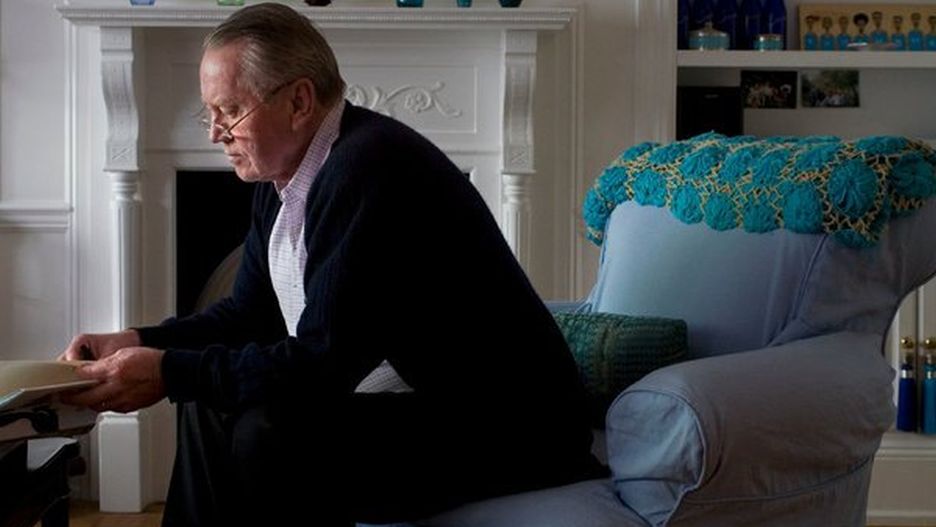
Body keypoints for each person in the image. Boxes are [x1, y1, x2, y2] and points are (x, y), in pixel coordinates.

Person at [60, 3, 601, 526]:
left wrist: (168, 372)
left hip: (511, 429)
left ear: (299, 101)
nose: (215, 132)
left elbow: (322, 364)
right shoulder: (282, 177)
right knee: (209, 401)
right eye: (210, 112)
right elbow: (248, 315)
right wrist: (137, 341)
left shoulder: (369, 168)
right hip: (431, 407)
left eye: (230, 110)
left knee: (267, 430)